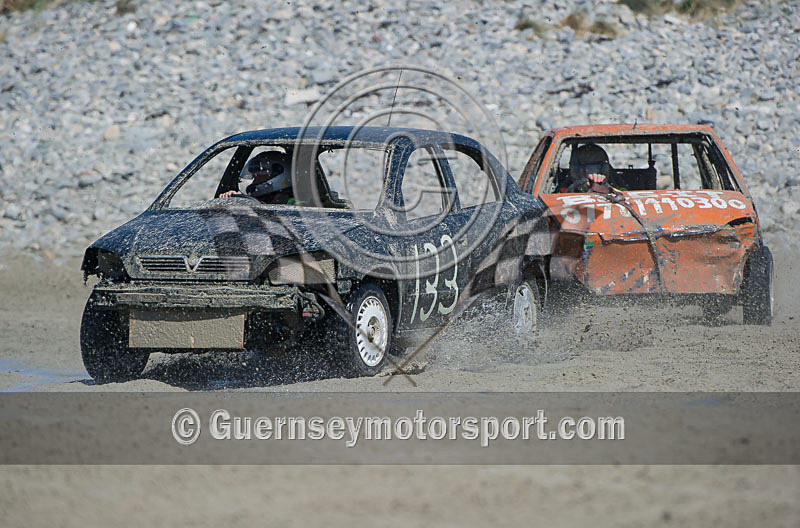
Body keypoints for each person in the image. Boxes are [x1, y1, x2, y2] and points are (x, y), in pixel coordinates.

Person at [219, 151, 296, 205]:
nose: (255, 179)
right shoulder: (261, 200)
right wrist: (234, 199)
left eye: (262, 173)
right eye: (254, 174)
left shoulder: (295, 206)